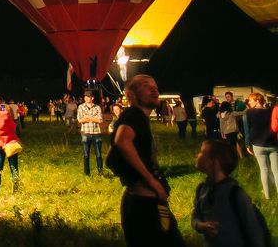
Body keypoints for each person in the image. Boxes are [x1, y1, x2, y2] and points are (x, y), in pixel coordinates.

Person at [110, 74, 184, 247]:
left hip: (137, 202)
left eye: (155, 86)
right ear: (130, 94)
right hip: (146, 207)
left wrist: (131, 178)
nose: (154, 89)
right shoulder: (135, 115)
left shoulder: (132, 117)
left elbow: (111, 159)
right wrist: (150, 181)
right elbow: (122, 141)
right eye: (145, 86)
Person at [192, 139, 269, 246]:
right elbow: (195, 216)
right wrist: (200, 225)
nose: (197, 155)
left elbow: (254, 230)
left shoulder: (234, 194)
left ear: (214, 162)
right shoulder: (201, 189)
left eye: (202, 152)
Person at [245, 92, 278, 200]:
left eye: (251, 100)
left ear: (257, 100)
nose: (249, 102)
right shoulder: (271, 111)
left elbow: (247, 130)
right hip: (273, 144)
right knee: (276, 170)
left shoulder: (249, 113)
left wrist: (247, 144)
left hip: (258, 145)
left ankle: (267, 196)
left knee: (264, 170)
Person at [77, 89, 104, 176]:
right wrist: (93, 118)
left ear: (92, 98)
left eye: (88, 97)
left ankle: (100, 172)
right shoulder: (81, 107)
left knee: (99, 154)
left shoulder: (97, 107)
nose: (86, 98)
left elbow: (100, 120)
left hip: (96, 132)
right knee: (86, 154)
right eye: (85, 97)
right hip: (85, 132)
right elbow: (80, 120)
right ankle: (86, 173)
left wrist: (88, 118)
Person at [218, 93, 244, 159]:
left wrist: (222, 133)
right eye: (226, 97)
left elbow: (221, 124)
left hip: (226, 132)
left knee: (232, 144)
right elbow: (242, 113)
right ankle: (237, 157)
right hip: (234, 130)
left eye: (228, 96)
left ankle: (234, 157)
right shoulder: (231, 112)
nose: (227, 98)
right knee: (235, 144)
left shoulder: (221, 115)